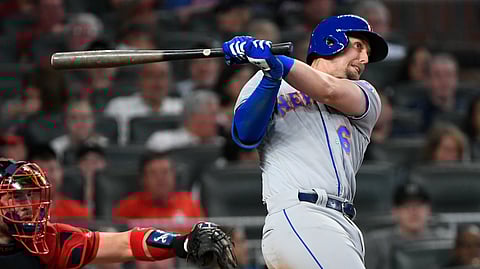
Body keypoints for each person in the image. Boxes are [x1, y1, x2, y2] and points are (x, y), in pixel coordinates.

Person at [222, 14, 389, 268]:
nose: (364, 59)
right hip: (299, 215)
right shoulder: (267, 80)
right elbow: (245, 135)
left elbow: (328, 90)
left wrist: (273, 58)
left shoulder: (366, 94)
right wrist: (270, 78)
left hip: (344, 224)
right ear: (332, 41)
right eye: (358, 46)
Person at [0, 158, 236, 269]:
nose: (27, 205)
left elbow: (125, 243)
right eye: (18, 196)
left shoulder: (49, 242)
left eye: (31, 195)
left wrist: (181, 243)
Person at [365, 181, 439, 269]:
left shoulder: (443, 242)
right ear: (395, 212)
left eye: (418, 205)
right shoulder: (377, 244)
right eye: (406, 206)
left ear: (429, 210)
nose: (413, 212)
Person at [113, 151, 204, 219]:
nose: (160, 178)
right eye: (153, 173)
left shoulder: (189, 202)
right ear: (143, 179)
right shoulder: (128, 207)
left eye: (165, 172)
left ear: (174, 175)